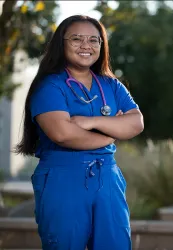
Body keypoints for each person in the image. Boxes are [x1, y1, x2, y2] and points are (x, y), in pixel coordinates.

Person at [15, 15, 144, 250]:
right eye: (76, 38)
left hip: (108, 176)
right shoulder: (49, 86)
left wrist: (89, 121)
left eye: (94, 40)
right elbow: (62, 134)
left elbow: (136, 123)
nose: (86, 45)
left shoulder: (112, 85)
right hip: (63, 177)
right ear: (61, 43)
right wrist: (111, 132)